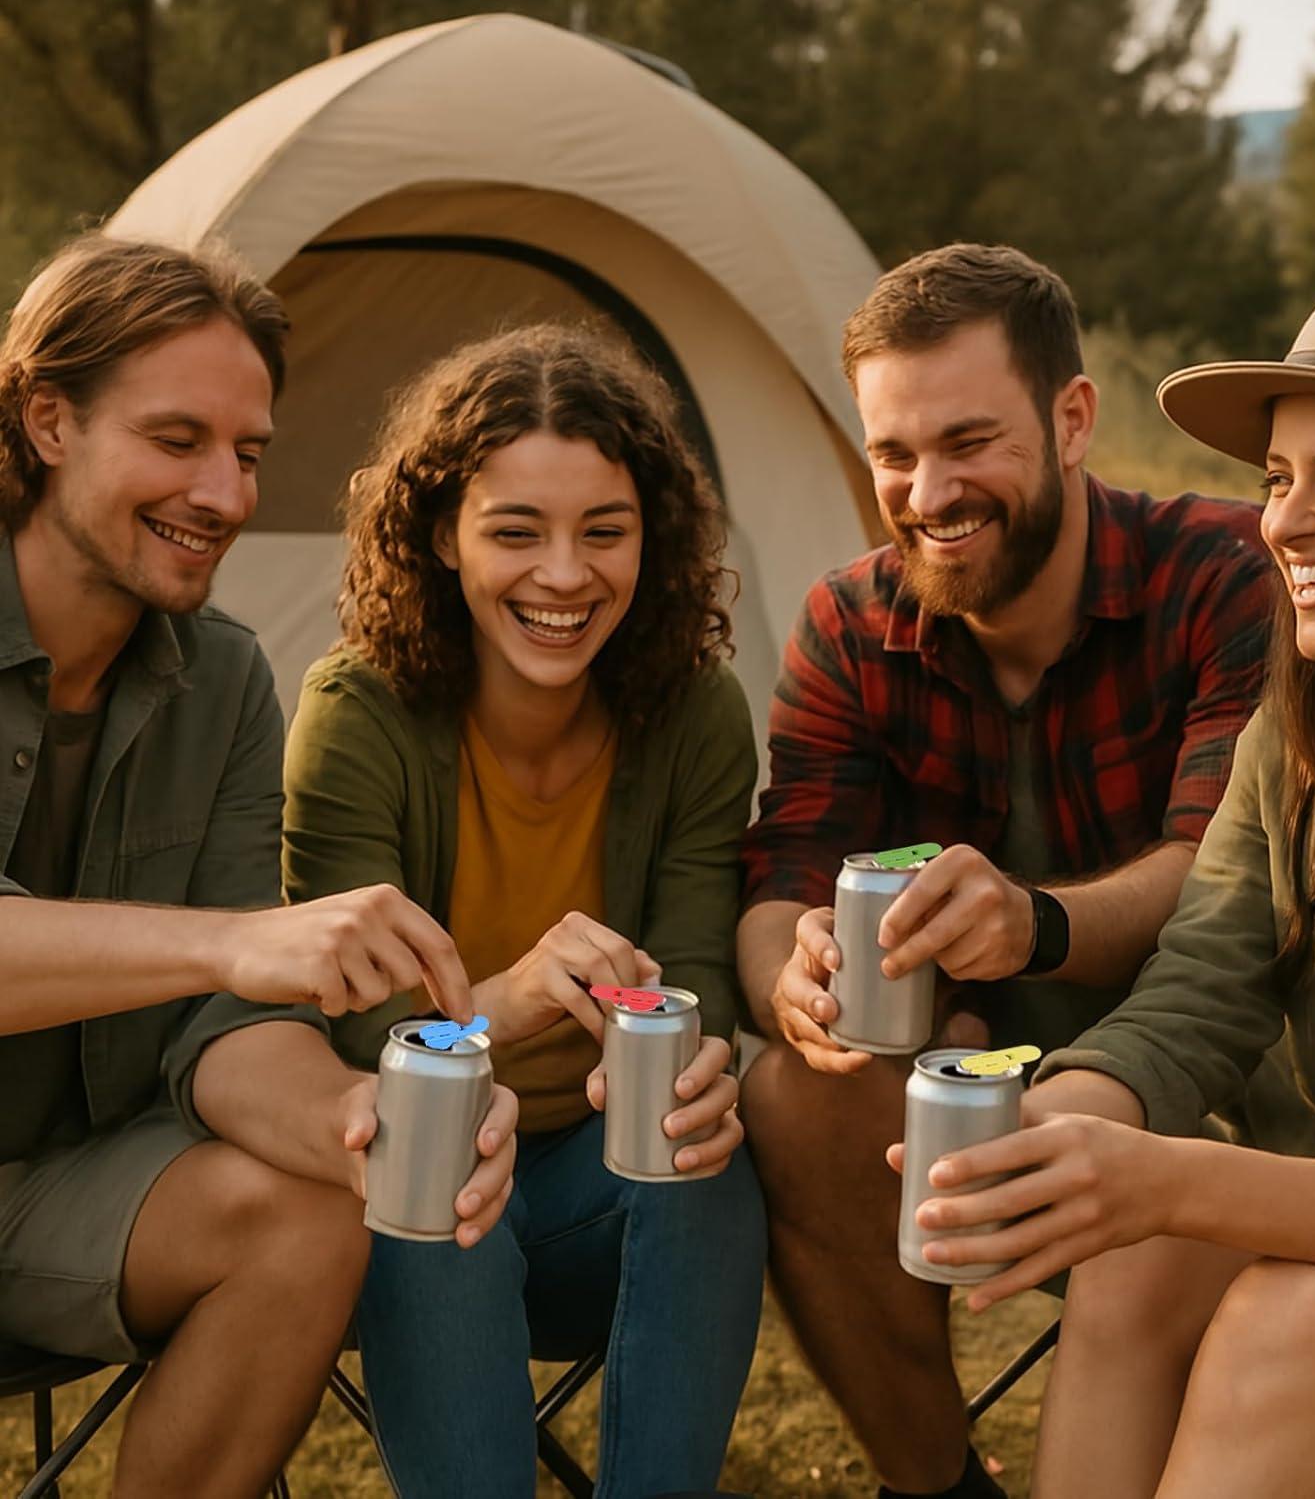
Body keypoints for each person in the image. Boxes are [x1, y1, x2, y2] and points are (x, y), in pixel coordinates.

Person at [906, 247, 1315, 1498]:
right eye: (1279, 478)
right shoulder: (1298, 744)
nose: (1284, 522)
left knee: (1291, 1332)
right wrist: (1050, 1138)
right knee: (1140, 1256)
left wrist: (1168, 1175)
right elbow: (1193, 1000)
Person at [736, 242, 1272, 1498]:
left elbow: (1224, 873)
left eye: (970, 442)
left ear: (1073, 419)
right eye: (894, 453)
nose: (929, 492)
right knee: (794, 1096)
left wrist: (1031, 925)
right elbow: (781, 873)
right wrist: (790, 980)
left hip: (1210, 1066)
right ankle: (935, 1484)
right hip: (953, 1070)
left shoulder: (1222, 575)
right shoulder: (847, 622)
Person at [0, 234, 516, 1499]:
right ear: (48, 420)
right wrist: (231, 942)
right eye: (177, 441)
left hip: (62, 1189)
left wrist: (360, 1124)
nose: (225, 496)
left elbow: (230, 1027)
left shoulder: (223, 676)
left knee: (313, 1217)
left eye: (247, 453)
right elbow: (236, 956)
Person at [281, 322, 766, 1497]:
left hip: (604, 1189)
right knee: (431, 1148)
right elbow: (353, 1043)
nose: (564, 575)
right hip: (404, 1208)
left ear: (653, 539)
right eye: (515, 531)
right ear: (440, 537)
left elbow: (697, 989)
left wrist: (697, 1072)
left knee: (702, 1160)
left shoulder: (695, 712)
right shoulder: (358, 715)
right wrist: (505, 1004)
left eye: (604, 531)